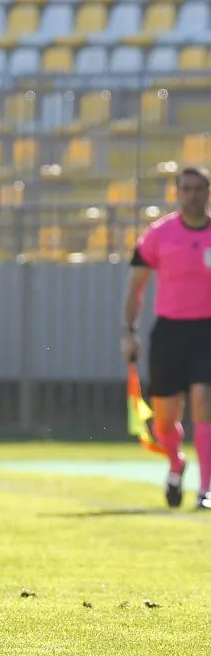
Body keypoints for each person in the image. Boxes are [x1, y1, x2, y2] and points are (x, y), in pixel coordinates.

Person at [122, 166, 211, 511]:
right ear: (177, 193)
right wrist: (129, 331)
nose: (192, 194)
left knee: (204, 400)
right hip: (169, 332)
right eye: (186, 188)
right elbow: (136, 285)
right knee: (163, 419)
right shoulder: (159, 234)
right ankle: (176, 462)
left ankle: (205, 489)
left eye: (198, 188)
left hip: (207, 330)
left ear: (207, 192)